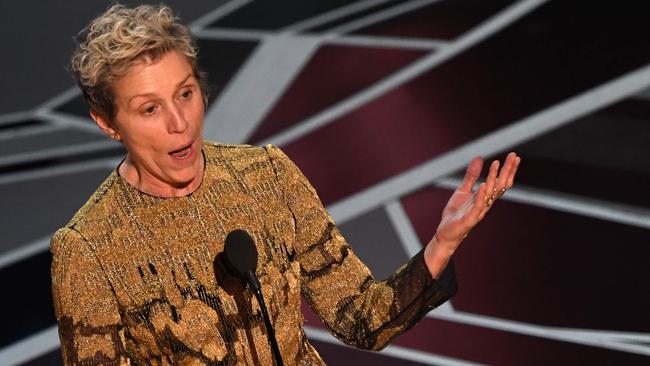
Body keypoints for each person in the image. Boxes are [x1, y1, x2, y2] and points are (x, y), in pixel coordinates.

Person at [50, 4, 521, 366]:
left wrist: (441, 244)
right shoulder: (89, 248)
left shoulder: (267, 176)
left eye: (186, 94)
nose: (179, 122)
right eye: (149, 109)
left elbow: (362, 320)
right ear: (107, 123)